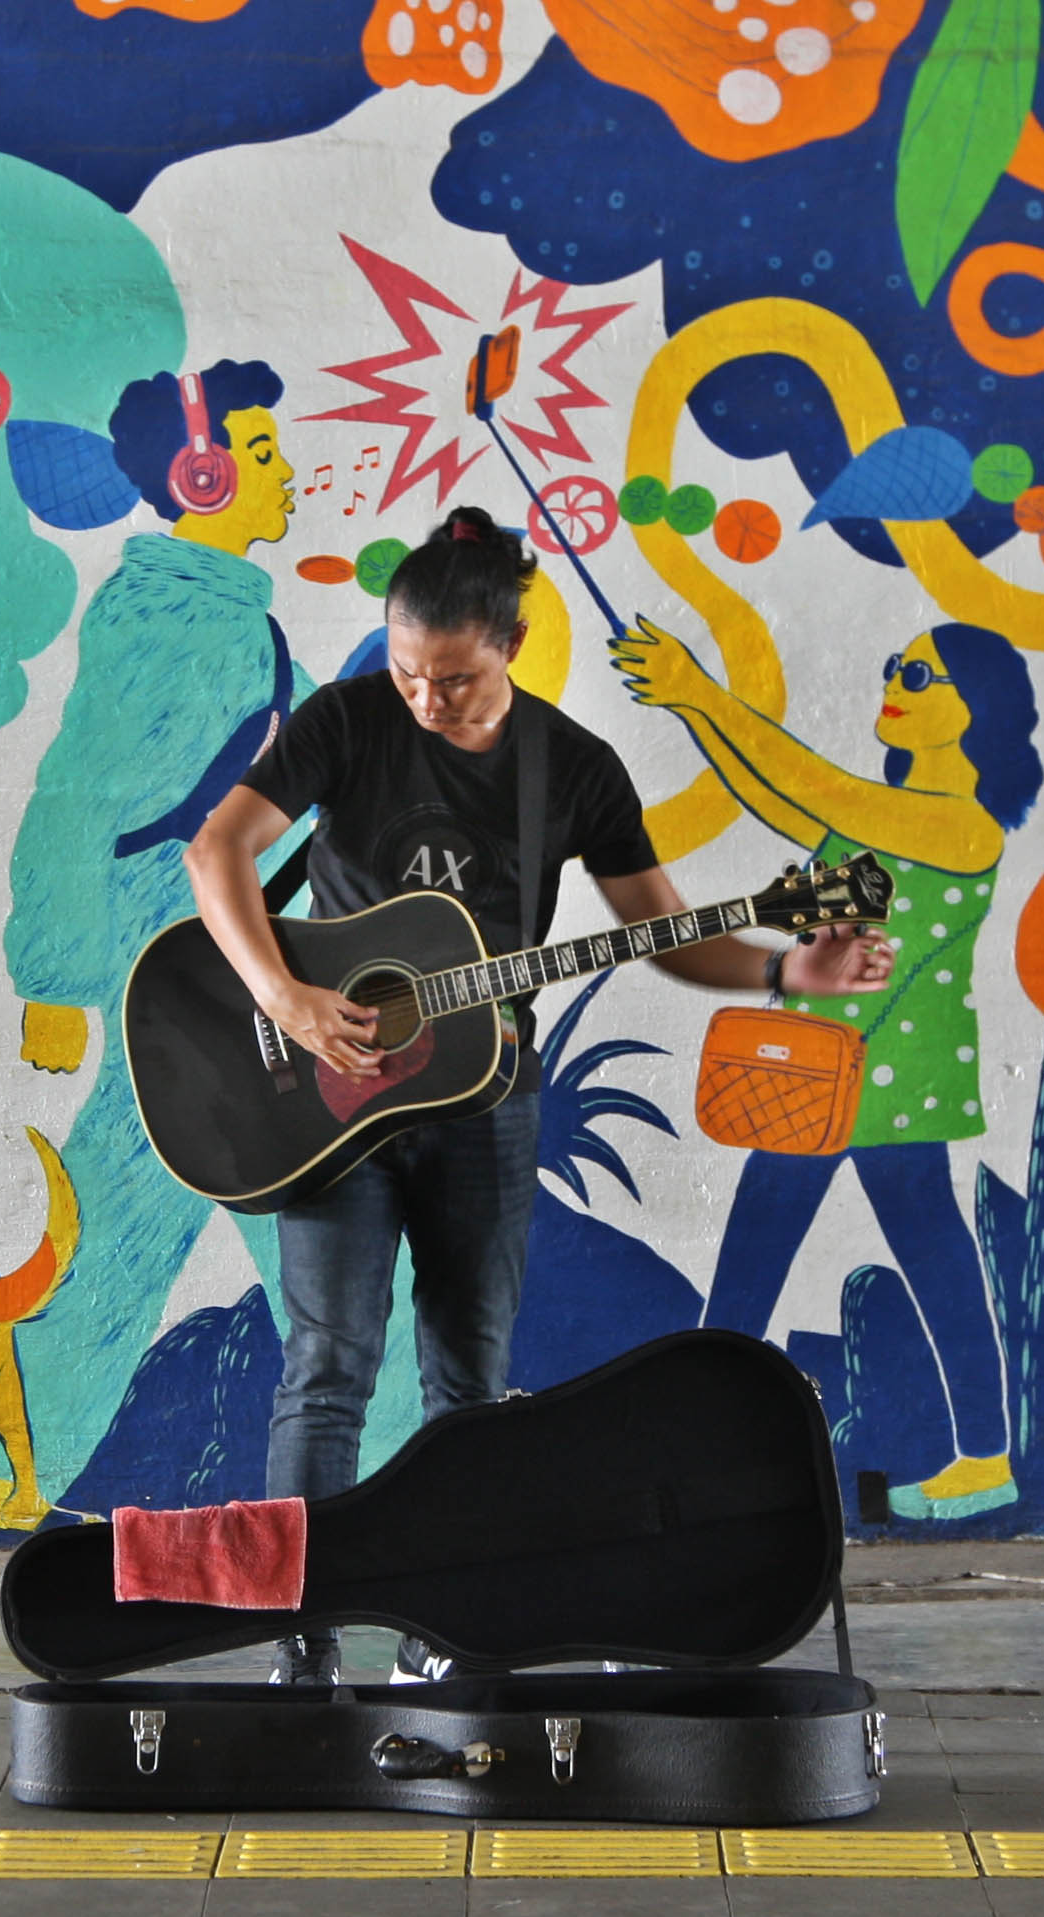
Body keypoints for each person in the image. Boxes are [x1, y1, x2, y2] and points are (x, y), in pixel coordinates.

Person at [185, 509, 889, 1679]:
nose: (426, 701)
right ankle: (299, 1646)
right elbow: (217, 852)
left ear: (510, 643)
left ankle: (453, 1639)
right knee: (327, 1365)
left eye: (453, 681)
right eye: (408, 673)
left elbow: (662, 933)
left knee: (468, 1375)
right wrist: (289, 999)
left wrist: (780, 965)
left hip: (485, 1104)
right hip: (332, 1102)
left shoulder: (571, 768)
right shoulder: (348, 720)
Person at [610, 615, 1036, 1521]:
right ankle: (978, 1457)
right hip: (822, 1073)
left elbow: (823, 789)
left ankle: (978, 1457)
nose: (895, 683)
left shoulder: (962, 829)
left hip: (888, 1080)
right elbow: (779, 794)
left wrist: (699, 690)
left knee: (886, 1259)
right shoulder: (876, 824)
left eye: (918, 676)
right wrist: (694, 709)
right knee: (799, 1253)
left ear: (975, 707)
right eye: (893, 663)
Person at [3, 360, 303, 1504]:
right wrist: (54, 974)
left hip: (231, 989)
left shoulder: (238, 618)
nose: (286, 478)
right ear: (201, 471)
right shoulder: (165, 622)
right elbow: (76, 790)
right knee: (118, 1249)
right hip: (177, 985)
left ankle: (19, 1457)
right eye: (263, 456)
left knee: (112, 1246)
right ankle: (19, 1456)